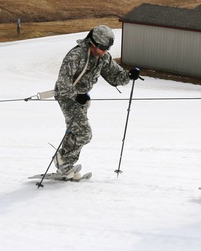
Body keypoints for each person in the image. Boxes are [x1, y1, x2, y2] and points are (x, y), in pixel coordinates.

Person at [53, 25, 140, 178]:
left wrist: (129, 75)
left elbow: (115, 76)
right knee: (84, 133)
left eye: (107, 48)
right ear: (92, 43)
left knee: (75, 132)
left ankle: (64, 161)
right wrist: (76, 96)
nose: (104, 51)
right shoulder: (76, 56)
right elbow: (62, 83)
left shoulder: (103, 57)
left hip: (83, 98)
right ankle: (64, 164)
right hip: (67, 97)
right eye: (102, 47)